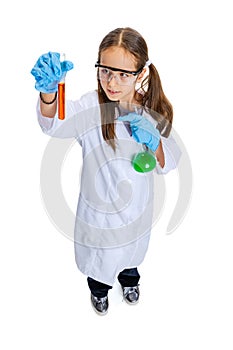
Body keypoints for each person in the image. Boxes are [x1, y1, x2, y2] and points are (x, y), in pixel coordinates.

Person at [31, 27, 181, 316]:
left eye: (123, 74)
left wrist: (155, 141)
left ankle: (130, 281)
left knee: (131, 256)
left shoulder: (152, 110)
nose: (112, 82)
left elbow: (168, 163)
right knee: (99, 264)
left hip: (136, 210)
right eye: (105, 71)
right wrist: (49, 94)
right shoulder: (90, 107)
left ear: (141, 73)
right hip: (97, 212)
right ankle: (99, 292)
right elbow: (55, 125)